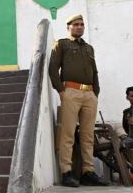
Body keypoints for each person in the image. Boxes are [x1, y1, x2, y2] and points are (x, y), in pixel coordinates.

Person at [49, 14, 108, 187]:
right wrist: (61, 90)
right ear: (68, 26)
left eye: (82, 24)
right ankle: (66, 172)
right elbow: (53, 68)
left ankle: (87, 172)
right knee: (68, 134)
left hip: (89, 94)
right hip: (71, 91)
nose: (80, 27)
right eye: (76, 24)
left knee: (88, 136)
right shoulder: (62, 44)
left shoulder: (89, 48)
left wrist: (95, 92)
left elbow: (94, 72)